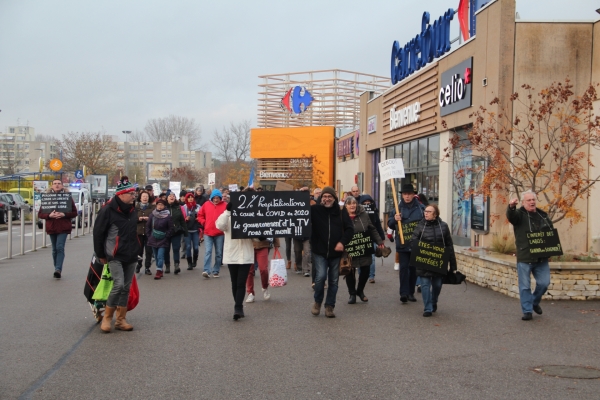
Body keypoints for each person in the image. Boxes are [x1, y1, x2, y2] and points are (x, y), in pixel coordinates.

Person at [93, 176, 140, 332]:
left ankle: (121, 320)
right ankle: (107, 319)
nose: (134, 196)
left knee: (126, 287)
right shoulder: (107, 210)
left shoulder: (133, 210)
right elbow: (98, 233)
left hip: (131, 254)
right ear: (121, 195)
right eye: (131, 194)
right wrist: (101, 254)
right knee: (118, 285)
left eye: (135, 194)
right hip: (114, 254)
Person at [507, 191, 553, 321]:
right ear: (523, 202)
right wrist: (511, 207)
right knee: (525, 286)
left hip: (541, 257)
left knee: (544, 283)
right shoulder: (519, 216)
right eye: (529, 200)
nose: (532, 202)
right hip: (525, 256)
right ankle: (527, 311)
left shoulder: (542, 215)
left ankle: (534, 302)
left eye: (533, 199)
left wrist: (551, 249)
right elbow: (511, 216)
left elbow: (550, 234)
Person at [310, 186, 354, 318]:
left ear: (334, 198)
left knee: (334, 281)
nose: (327, 199)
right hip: (319, 251)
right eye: (324, 196)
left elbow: (350, 229)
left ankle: (330, 306)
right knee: (321, 277)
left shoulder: (341, 211)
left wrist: (342, 242)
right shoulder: (314, 210)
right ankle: (317, 302)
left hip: (336, 253)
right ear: (320, 198)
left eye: (329, 197)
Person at [410, 204, 456, 317]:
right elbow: (413, 242)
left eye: (429, 211)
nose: (426, 213)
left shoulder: (444, 226)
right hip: (424, 260)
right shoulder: (420, 226)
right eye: (425, 211)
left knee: (437, 285)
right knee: (425, 284)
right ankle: (427, 308)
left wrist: (453, 265)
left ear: (435, 214)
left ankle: (433, 301)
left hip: (438, 261)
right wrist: (422, 250)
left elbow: (449, 245)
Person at [216, 202, 254, 320]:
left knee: (241, 282)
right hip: (232, 254)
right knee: (234, 282)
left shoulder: (250, 217)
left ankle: (238, 307)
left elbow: (255, 234)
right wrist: (227, 212)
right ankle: (238, 304)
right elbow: (220, 226)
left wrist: (260, 236)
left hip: (246, 254)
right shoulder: (228, 217)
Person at [388, 183, 425, 304]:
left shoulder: (421, 208)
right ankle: (403, 293)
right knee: (403, 268)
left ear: (414, 195)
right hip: (402, 243)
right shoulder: (397, 209)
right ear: (402, 195)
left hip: (415, 243)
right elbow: (390, 224)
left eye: (409, 194)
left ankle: (410, 292)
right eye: (405, 194)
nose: (407, 196)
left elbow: (427, 222)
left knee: (413, 268)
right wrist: (395, 219)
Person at [344, 196, 384, 304]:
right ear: (346, 205)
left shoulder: (363, 214)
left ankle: (360, 291)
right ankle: (352, 294)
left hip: (364, 245)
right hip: (349, 247)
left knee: (366, 269)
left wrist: (379, 241)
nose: (352, 205)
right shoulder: (341, 216)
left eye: (354, 203)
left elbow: (372, 228)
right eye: (350, 204)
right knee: (350, 271)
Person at [38, 179, 78, 279]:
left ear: (62, 186)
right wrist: (49, 215)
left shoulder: (67, 197)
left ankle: (58, 269)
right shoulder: (47, 198)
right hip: (52, 226)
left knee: (60, 247)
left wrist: (64, 214)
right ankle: (56, 267)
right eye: (55, 184)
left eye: (59, 184)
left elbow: (74, 212)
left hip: (63, 226)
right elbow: (40, 214)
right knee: (54, 249)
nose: (57, 185)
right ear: (52, 186)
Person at [197, 189, 227, 278]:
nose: (216, 200)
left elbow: (229, 216)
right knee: (208, 252)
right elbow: (200, 215)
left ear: (220, 198)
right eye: (214, 198)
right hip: (208, 232)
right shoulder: (206, 204)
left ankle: (216, 270)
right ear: (212, 197)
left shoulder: (225, 205)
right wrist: (203, 222)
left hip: (220, 233)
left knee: (218, 253)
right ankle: (206, 270)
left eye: (218, 198)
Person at [358, 194, 386, 284]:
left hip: (372, 238)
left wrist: (381, 238)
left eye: (368, 202)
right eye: (365, 202)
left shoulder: (374, 213)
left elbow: (377, 225)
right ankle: (361, 274)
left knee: (372, 258)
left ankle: (371, 276)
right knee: (360, 257)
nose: (367, 204)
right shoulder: (357, 213)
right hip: (360, 238)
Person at [146, 199, 174, 280]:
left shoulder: (168, 216)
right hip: (153, 238)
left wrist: (166, 236)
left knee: (160, 255)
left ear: (164, 206)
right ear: (156, 205)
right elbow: (148, 226)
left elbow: (171, 228)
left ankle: (158, 271)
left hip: (163, 239)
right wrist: (149, 236)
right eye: (158, 205)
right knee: (156, 256)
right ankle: (160, 269)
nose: (160, 206)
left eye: (161, 205)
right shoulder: (152, 215)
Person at [246, 236, 280, 302]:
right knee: (249, 270)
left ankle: (265, 287)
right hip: (249, 245)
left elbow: (273, 226)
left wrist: (276, 243)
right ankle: (250, 293)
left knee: (263, 269)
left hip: (263, 244)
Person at [164, 193, 188, 275]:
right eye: (170, 196)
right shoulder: (163, 207)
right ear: (167, 198)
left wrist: (185, 232)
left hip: (176, 232)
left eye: (173, 196)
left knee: (176, 249)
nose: (172, 197)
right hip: (166, 232)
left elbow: (182, 221)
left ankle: (176, 265)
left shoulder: (178, 208)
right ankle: (167, 266)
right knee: (166, 250)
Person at [135, 190, 155, 275]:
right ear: (140, 198)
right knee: (139, 251)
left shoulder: (152, 208)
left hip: (148, 232)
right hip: (138, 232)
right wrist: (138, 219)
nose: (145, 198)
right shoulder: (136, 208)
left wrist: (149, 219)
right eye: (143, 196)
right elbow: (131, 219)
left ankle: (147, 267)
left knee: (148, 251)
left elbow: (155, 218)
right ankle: (139, 264)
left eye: (146, 196)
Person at [183, 193, 201, 270]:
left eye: (192, 197)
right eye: (189, 197)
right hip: (187, 230)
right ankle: (189, 263)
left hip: (195, 229)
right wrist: (185, 219)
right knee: (188, 247)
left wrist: (198, 219)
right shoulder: (184, 207)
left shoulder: (198, 206)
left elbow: (202, 215)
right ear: (186, 199)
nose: (190, 199)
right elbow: (181, 218)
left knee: (196, 247)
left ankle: (194, 260)